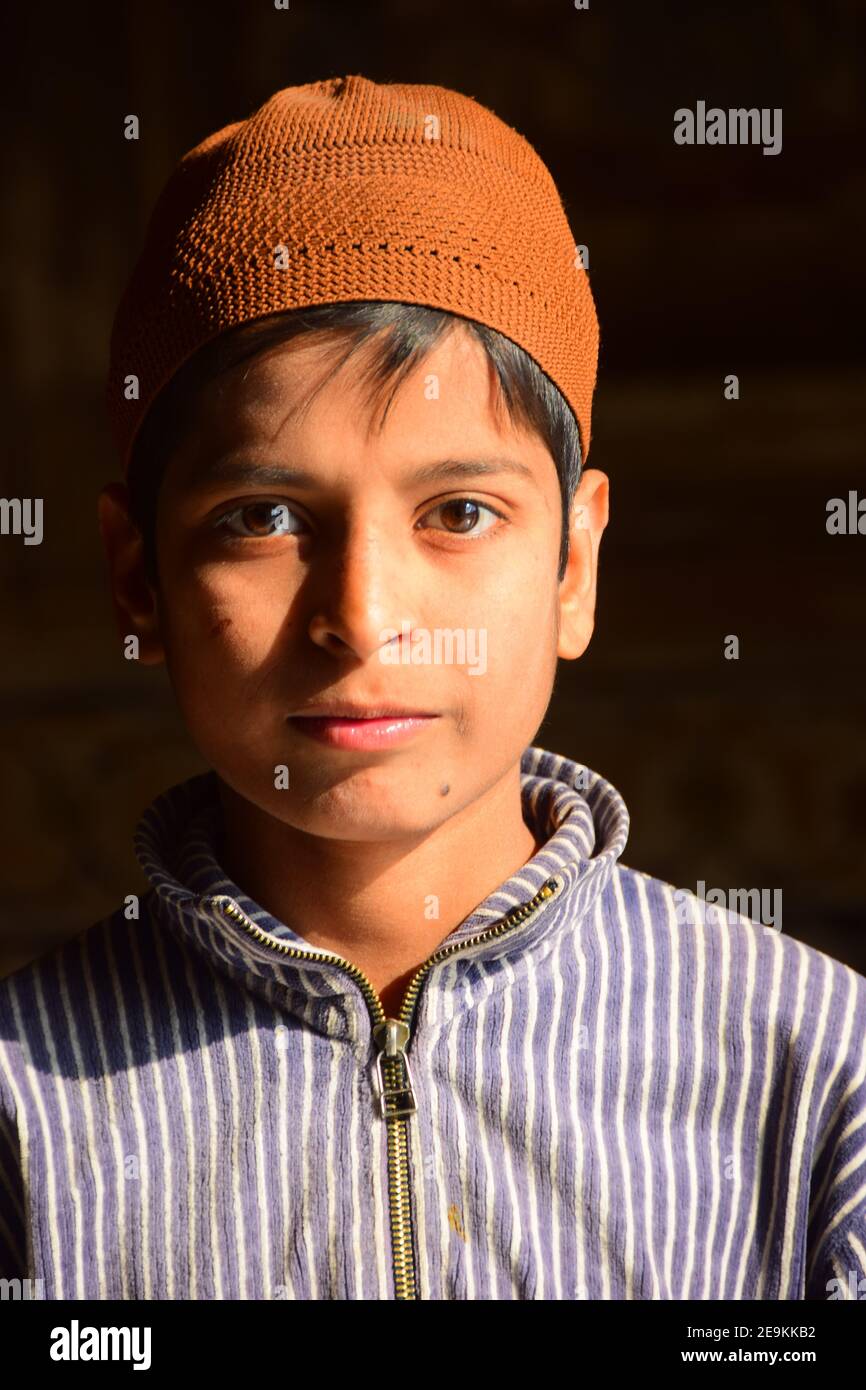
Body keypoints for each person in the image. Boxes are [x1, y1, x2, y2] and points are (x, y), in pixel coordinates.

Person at [1, 74, 864, 1302]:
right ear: (136, 577)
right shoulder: (24, 1109)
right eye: (262, 517)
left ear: (572, 562)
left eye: (458, 512)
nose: (361, 615)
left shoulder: (816, 1074)